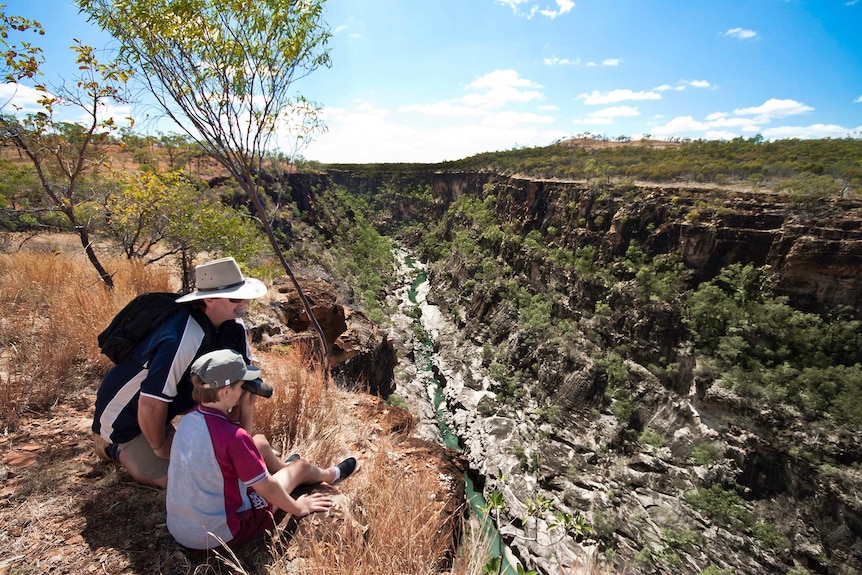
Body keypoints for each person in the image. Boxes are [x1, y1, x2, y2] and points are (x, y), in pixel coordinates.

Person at [92, 257, 268, 488]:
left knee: (219, 463)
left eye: (243, 295)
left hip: (163, 413)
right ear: (210, 300)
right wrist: (160, 446)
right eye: (235, 297)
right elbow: (150, 403)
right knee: (177, 480)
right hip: (125, 419)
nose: (243, 302)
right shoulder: (183, 334)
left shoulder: (233, 326)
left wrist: (237, 441)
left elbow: (241, 381)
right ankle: (111, 447)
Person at [166, 349, 357, 550]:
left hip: (182, 527)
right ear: (226, 392)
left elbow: (239, 446)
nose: (244, 391)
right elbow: (268, 488)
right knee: (301, 467)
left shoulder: (188, 420)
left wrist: (246, 410)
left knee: (259, 442)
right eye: (241, 385)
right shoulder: (233, 437)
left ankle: (285, 468)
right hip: (219, 534)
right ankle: (331, 475)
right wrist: (298, 508)